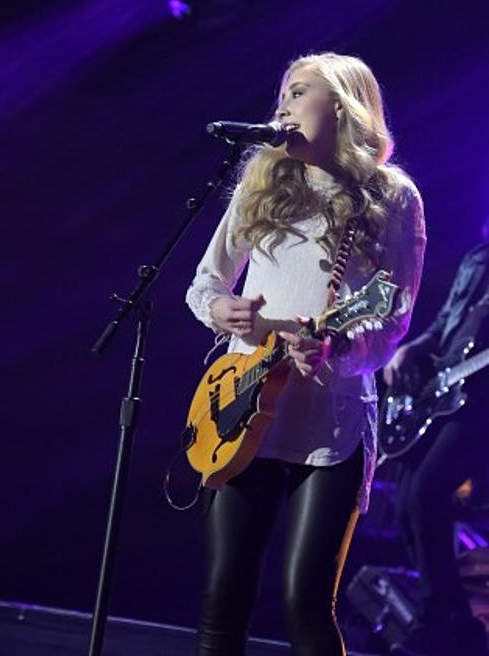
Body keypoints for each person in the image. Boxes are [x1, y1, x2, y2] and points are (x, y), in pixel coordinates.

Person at [185, 52, 426, 656]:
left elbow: (393, 317)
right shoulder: (260, 181)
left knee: (306, 603)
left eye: (298, 94)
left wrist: (339, 346)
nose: (282, 107)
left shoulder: (392, 198)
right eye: (283, 95)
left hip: (332, 422)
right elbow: (205, 283)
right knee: (222, 600)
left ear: (341, 107)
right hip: (241, 410)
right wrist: (221, 311)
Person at [383, 215, 489, 656]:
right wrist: (411, 348)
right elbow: (447, 322)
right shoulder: (477, 258)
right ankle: (454, 620)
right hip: (447, 390)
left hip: (483, 401)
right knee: (407, 493)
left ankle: (440, 616)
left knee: (427, 490)